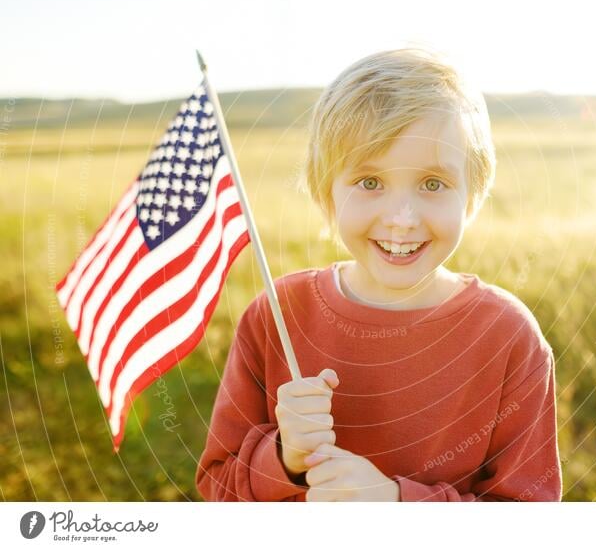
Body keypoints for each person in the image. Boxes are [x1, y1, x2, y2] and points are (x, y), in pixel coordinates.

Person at [195, 47, 562, 501]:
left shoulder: (508, 337)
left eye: (433, 184)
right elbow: (216, 490)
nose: (402, 218)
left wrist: (395, 503)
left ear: (473, 194)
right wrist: (284, 459)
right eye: (370, 183)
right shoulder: (276, 315)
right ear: (325, 193)